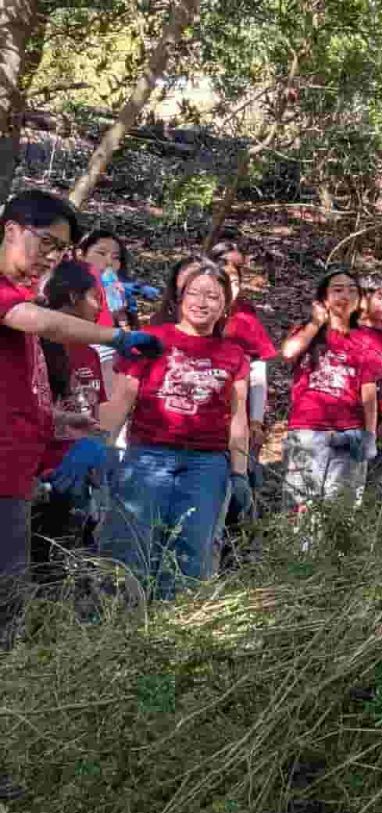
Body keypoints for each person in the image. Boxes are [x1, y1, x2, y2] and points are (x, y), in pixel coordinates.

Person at [1, 191, 160, 620]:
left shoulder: (23, 299)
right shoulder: (12, 300)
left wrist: (54, 418)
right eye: (46, 243)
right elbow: (44, 321)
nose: (50, 258)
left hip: (19, 476)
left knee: (14, 602)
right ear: (11, 230)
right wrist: (118, 337)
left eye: (60, 249)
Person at [96, 257, 250, 598]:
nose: (202, 302)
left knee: (191, 554)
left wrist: (240, 473)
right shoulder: (150, 339)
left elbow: (238, 420)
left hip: (206, 464)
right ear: (179, 298)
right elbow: (122, 400)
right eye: (194, 293)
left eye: (213, 295)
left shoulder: (234, 355)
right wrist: (102, 448)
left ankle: (174, 627)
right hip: (148, 456)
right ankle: (117, 623)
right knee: (129, 545)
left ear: (225, 304)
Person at [33, 259, 133, 575]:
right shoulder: (34, 344)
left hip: (82, 474)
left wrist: (94, 447)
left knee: (71, 564)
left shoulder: (89, 351)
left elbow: (95, 411)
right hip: (44, 475)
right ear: (73, 296)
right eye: (95, 298)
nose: (99, 307)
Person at [278, 268, 382, 506]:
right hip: (307, 431)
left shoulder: (365, 340)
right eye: (337, 290)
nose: (344, 295)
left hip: (349, 434)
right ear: (324, 298)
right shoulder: (308, 333)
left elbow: (368, 394)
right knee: (301, 509)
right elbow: (288, 353)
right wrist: (316, 323)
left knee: (340, 514)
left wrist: (370, 435)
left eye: (351, 290)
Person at [210, 237, 276, 450]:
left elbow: (258, 368)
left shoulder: (245, 314)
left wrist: (256, 421)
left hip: (239, 411)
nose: (231, 289)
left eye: (236, 281)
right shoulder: (191, 312)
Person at [348, 272, 382, 506]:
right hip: (364, 425)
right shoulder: (354, 336)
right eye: (380, 297)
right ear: (363, 300)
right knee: (361, 490)